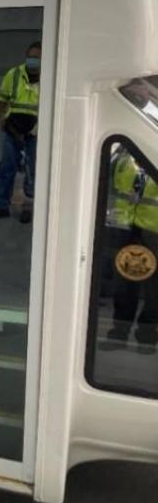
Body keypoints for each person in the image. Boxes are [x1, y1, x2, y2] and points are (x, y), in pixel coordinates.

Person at [104, 146, 158, 355]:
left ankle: (147, 336)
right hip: (124, 224)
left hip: (153, 228)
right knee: (124, 283)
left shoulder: (146, 140)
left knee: (154, 287)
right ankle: (119, 333)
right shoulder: (124, 150)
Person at [0, 42, 41, 223]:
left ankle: (28, 206)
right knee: (7, 169)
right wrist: (3, 118)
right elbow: (2, 99)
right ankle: (1, 206)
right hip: (13, 129)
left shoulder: (49, 77)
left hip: (35, 132)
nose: (34, 61)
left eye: (38, 58)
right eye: (31, 57)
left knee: (32, 171)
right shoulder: (14, 74)